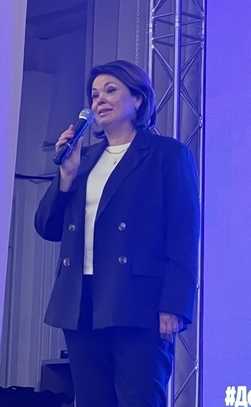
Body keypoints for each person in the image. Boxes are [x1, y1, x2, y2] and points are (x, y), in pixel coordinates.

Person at [35, 60, 200, 407]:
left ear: (137, 99)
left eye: (111, 90)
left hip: (138, 301)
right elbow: (47, 227)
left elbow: (184, 235)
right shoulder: (83, 159)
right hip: (82, 300)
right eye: (95, 94)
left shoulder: (167, 155)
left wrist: (174, 305)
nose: (100, 100)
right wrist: (66, 176)